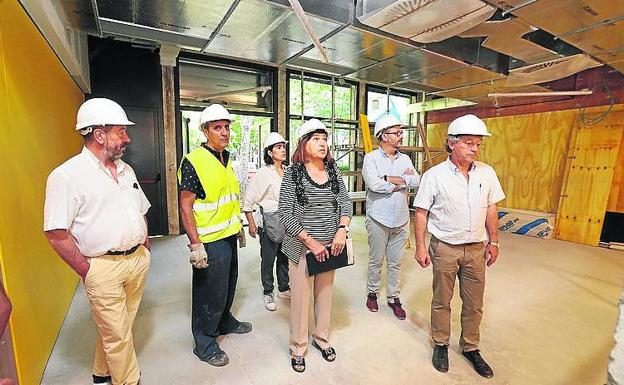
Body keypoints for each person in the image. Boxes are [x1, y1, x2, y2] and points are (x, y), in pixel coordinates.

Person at [44, 98, 151, 385]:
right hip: (101, 267)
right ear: (99, 135)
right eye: (120, 132)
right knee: (117, 334)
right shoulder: (66, 176)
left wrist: (145, 247)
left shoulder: (126, 170)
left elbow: (140, 208)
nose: (127, 138)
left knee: (121, 326)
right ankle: (129, 381)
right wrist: (86, 269)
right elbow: (55, 233)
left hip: (136, 260)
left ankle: (100, 372)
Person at [413, 114, 505, 378]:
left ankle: (470, 347)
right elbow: (421, 212)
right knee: (442, 300)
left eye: (478, 143)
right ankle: (441, 343)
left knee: (474, 303)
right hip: (445, 247)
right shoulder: (434, 176)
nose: (474, 148)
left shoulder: (487, 173)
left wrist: (494, 241)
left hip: (476, 248)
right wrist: (420, 246)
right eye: (468, 143)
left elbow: (491, 208)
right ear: (452, 143)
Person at [178, 104, 252, 367]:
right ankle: (205, 342)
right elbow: (186, 204)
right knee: (208, 291)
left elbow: (228, 198)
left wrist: (239, 226)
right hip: (209, 239)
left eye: (227, 126)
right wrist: (195, 243)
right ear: (205, 131)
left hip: (229, 234)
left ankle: (224, 321)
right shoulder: (194, 161)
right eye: (217, 127)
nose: (224, 132)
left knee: (229, 284)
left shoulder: (227, 158)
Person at [278, 119, 352, 373]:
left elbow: (345, 202)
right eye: (316, 139)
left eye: (324, 139)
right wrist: (311, 242)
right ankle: (298, 347)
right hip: (302, 247)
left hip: (331, 246)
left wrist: (341, 230)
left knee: (325, 294)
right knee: (300, 300)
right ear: (304, 143)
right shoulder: (292, 173)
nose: (322, 144)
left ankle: (322, 338)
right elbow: (285, 213)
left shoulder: (333, 170)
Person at [362, 113, 420, 319]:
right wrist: (400, 182)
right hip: (378, 218)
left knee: (395, 262)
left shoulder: (405, 158)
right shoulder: (371, 159)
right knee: (376, 260)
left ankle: (393, 297)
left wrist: (391, 179)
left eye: (400, 132)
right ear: (384, 135)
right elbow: (374, 185)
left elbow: (417, 181)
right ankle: (372, 293)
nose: (401, 136)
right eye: (397, 133)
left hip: (402, 219)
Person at [243, 132, 290, 311]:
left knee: (284, 257)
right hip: (268, 222)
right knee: (268, 259)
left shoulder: (287, 170)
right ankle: (268, 291)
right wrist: (252, 225)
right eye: (278, 147)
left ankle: (284, 288)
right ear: (269, 152)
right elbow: (248, 201)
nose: (282, 150)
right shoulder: (263, 173)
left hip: (285, 221)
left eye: (283, 146)